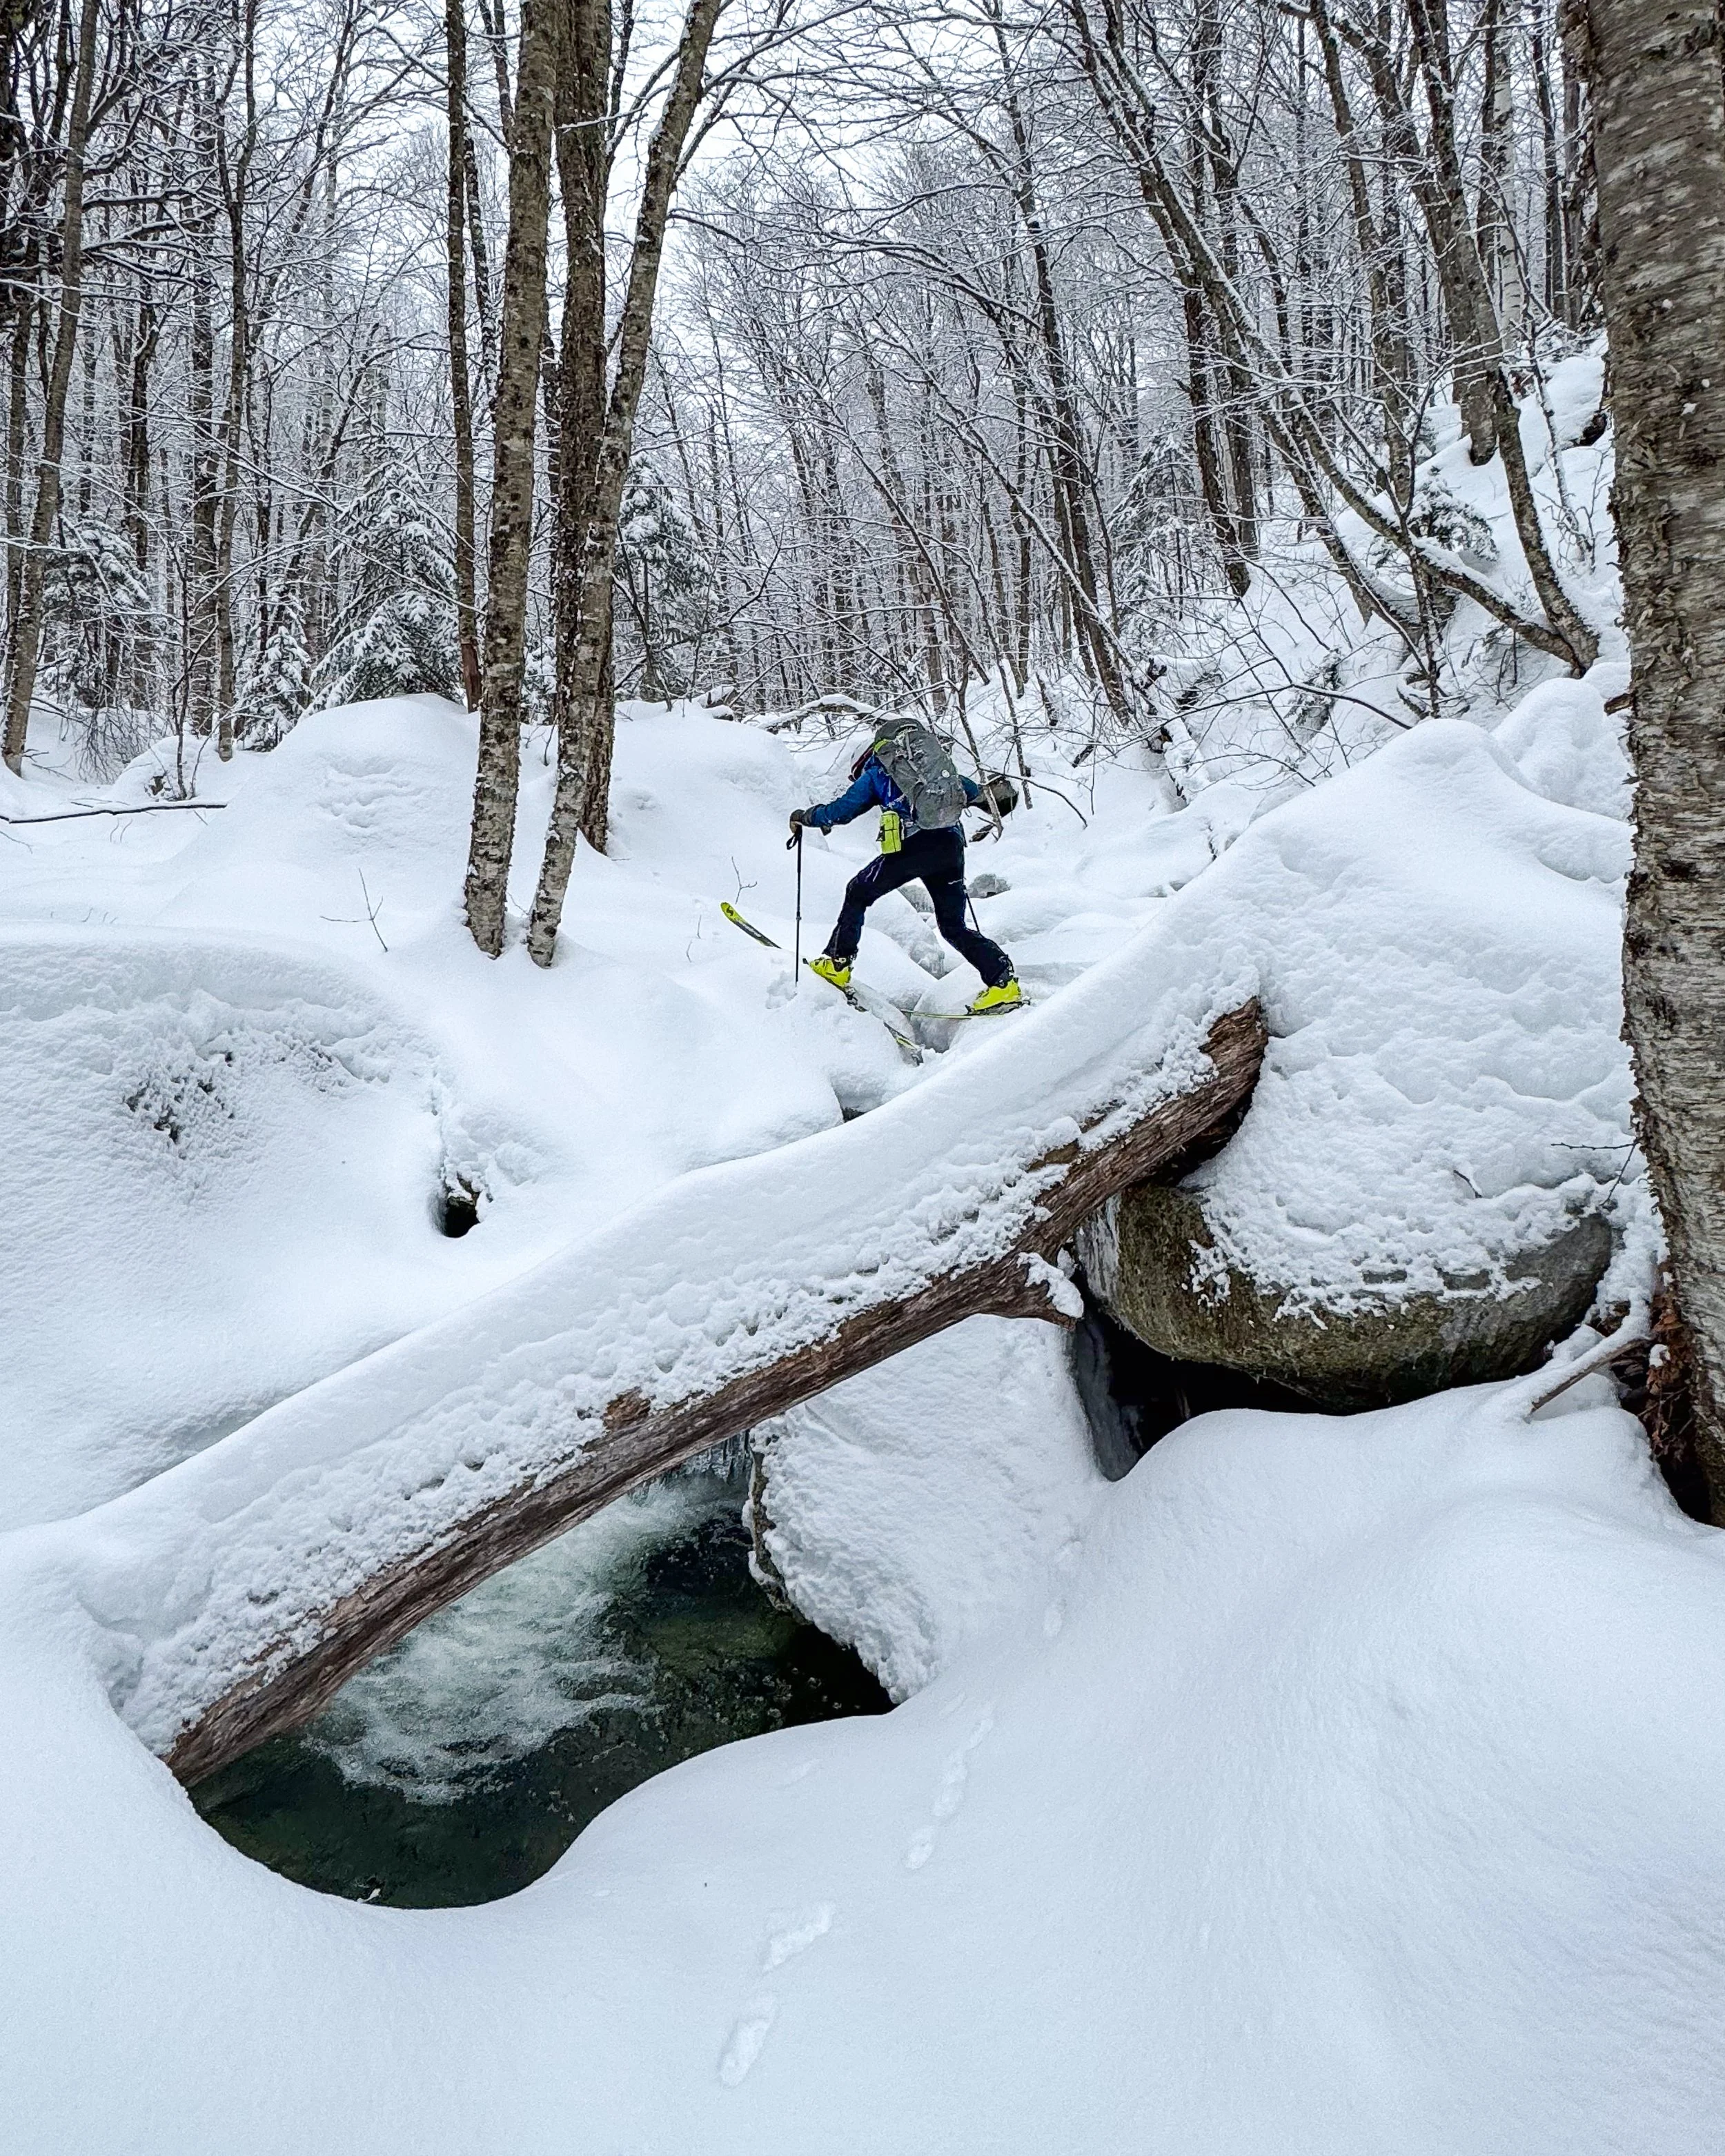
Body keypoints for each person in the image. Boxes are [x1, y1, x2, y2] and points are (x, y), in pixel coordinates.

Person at [789, 738, 1021, 1013]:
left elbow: (841, 811)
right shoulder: (936, 771)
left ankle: (837, 964)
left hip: (914, 846)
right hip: (950, 847)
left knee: (857, 891)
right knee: (952, 926)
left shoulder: (878, 773)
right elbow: (975, 793)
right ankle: (1003, 982)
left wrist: (805, 816)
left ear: (866, 759)